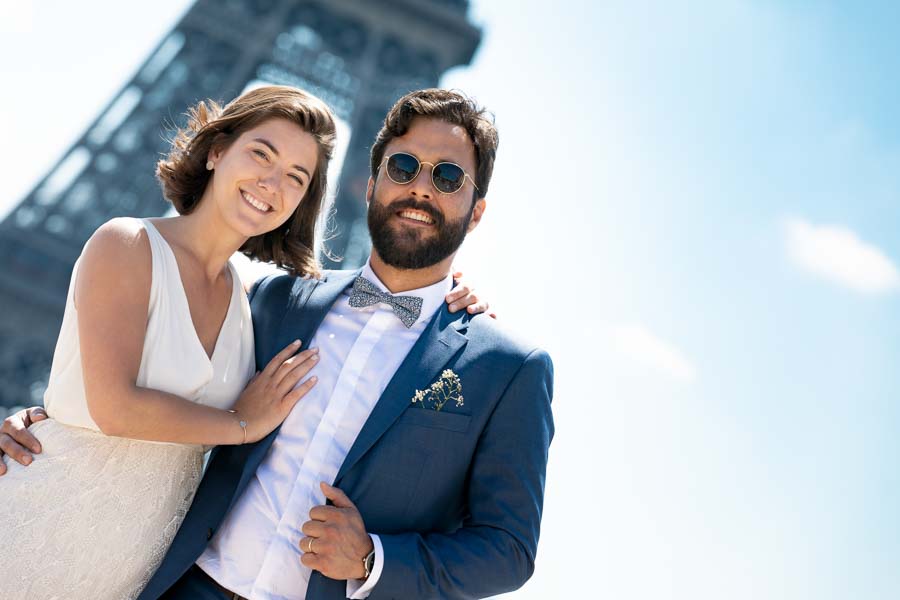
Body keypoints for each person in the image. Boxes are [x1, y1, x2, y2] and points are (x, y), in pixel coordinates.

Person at [0, 86, 486, 600]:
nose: (272, 183)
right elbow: (111, 405)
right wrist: (242, 425)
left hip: (132, 571)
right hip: (44, 526)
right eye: (261, 153)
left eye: (296, 178)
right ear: (215, 151)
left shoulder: (257, 302)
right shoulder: (127, 243)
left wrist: (442, 300)